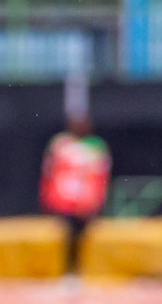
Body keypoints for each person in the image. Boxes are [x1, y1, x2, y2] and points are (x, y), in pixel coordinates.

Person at [39, 113, 111, 274]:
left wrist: (98, 199)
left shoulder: (96, 145)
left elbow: (101, 175)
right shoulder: (60, 144)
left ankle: (81, 269)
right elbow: (49, 172)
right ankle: (69, 270)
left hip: (86, 200)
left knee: (84, 236)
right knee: (67, 235)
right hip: (64, 199)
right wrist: (47, 197)